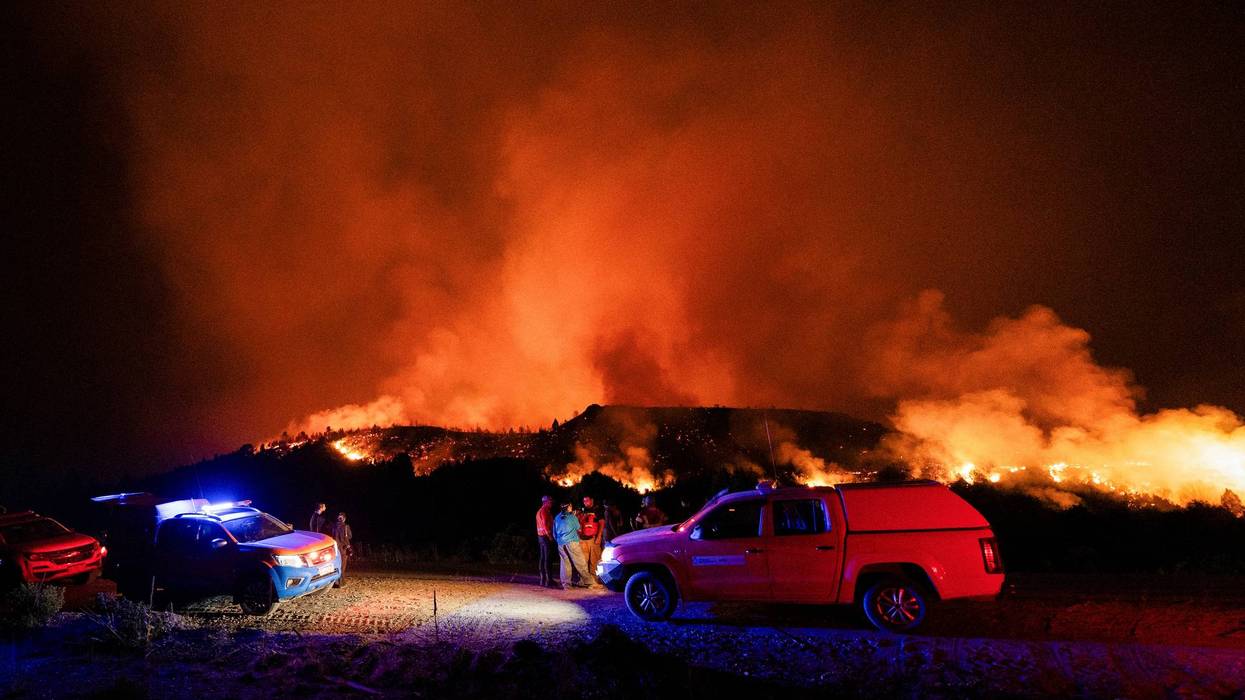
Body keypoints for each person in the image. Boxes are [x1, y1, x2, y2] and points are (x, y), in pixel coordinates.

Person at [553, 502, 591, 589]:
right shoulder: (572, 517)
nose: (572, 507)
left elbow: (554, 533)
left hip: (561, 543)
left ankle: (566, 585)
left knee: (565, 564)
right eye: (571, 506)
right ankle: (589, 583)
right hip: (572, 542)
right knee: (580, 562)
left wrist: (560, 541)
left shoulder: (557, 517)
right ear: (568, 507)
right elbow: (580, 529)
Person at [578, 496, 604, 580]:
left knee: (594, 560)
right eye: (584, 501)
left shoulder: (597, 510)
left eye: (587, 500)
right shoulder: (582, 510)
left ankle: (594, 580)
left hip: (593, 539)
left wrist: (599, 536)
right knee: (583, 561)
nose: (585, 502)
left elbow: (602, 522)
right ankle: (584, 580)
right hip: (582, 539)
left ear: (592, 500)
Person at [535, 495, 556, 587]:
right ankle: (549, 580)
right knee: (548, 558)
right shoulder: (544, 511)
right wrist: (550, 536)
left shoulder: (539, 511)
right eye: (550, 501)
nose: (551, 503)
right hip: (545, 536)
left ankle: (542, 579)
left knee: (543, 557)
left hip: (540, 536)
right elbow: (544, 524)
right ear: (545, 502)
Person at [332, 512, 353, 587]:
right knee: (342, 566)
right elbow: (350, 536)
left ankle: (335, 582)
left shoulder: (334, 526)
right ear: (344, 519)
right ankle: (341, 583)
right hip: (343, 548)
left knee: (336, 565)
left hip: (335, 549)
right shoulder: (346, 526)